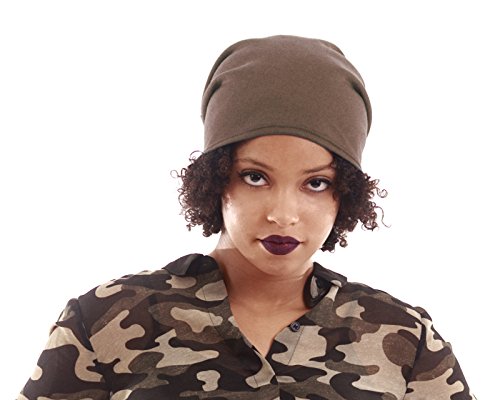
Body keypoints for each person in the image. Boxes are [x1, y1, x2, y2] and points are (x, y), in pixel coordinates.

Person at [18, 35, 475, 399]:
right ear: (216, 179)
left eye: (316, 183)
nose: (283, 215)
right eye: (255, 177)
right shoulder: (102, 321)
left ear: (347, 194)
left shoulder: (405, 338)